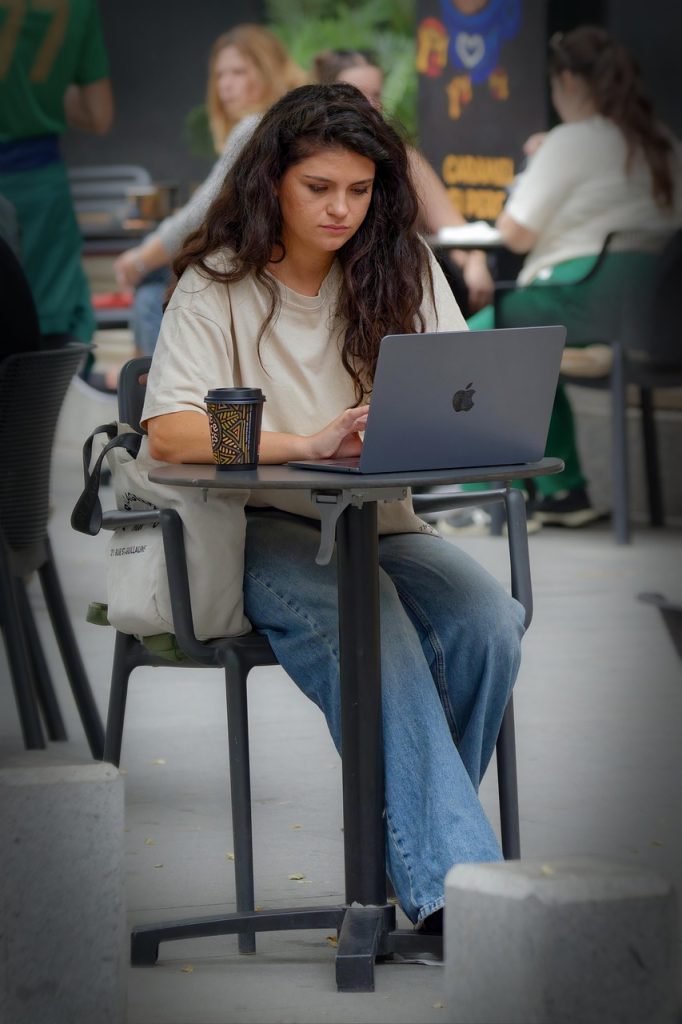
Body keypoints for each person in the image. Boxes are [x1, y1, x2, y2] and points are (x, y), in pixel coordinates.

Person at [139, 83, 525, 934]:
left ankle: (417, 870)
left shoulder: (404, 268)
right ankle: (460, 898)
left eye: (360, 189)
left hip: (376, 525)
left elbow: (464, 389)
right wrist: (307, 442)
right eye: (320, 188)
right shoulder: (219, 285)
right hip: (258, 533)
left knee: (488, 619)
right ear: (273, 180)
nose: (342, 208)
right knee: (372, 621)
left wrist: (453, 424)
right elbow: (167, 434)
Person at [468, 25, 682, 527]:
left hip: (577, 297)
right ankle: (567, 492)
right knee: (533, 348)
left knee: (469, 345)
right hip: (650, 317)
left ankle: (481, 493)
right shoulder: (664, 143)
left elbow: (515, 235)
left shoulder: (571, 141)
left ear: (566, 79)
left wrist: (535, 164)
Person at [112, 24, 307, 378]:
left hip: (255, 266)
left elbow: (199, 216)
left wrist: (139, 259)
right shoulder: (278, 124)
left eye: (239, 72)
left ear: (267, 72)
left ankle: (158, 387)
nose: (226, 85)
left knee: (152, 287)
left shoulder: (255, 126)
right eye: (220, 75)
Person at [311, 48, 494, 316]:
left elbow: (454, 229)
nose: (370, 104)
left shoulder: (402, 156)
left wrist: (474, 260)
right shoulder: (305, 155)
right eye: (356, 93)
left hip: (392, 288)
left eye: (376, 94)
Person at [0, 0, 113, 355]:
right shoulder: (78, 6)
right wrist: (38, 101)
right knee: (50, 328)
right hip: (41, 189)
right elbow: (99, 115)